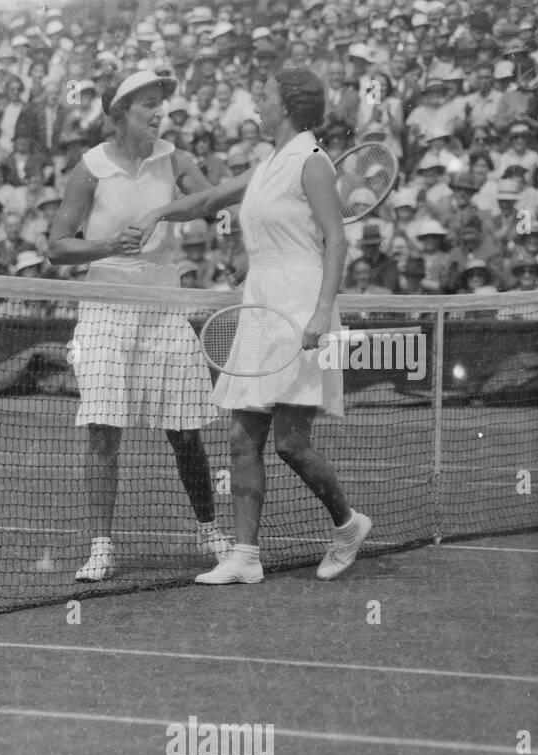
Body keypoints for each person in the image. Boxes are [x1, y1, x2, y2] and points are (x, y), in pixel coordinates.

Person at [133, 67, 370, 584]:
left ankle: (348, 524)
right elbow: (208, 200)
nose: (255, 106)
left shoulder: (312, 162)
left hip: (304, 302)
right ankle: (244, 555)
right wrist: (159, 213)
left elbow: (337, 240)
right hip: (261, 304)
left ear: (286, 105)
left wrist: (321, 314)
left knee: (290, 442)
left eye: (262, 97)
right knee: (242, 436)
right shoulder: (269, 164)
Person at [46, 69, 232, 583]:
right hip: (105, 307)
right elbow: (58, 245)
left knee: (185, 430)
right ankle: (102, 546)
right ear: (119, 113)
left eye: (160, 104)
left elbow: (213, 201)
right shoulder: (89, 169)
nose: (158, 112)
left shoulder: (175, 158)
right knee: (104, 431)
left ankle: (210, 529)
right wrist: (109, 245)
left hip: (164, 305)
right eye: (147, 104)